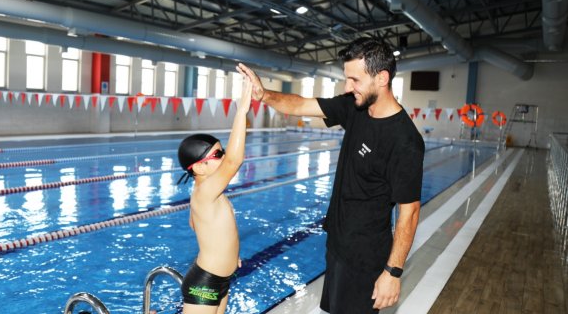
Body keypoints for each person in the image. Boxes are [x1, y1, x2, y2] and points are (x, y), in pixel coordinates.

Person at [237, 37, 424, 313]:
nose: (348, 87)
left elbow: (409, 213)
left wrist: (392, 273)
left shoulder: (404, 140)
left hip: (364, 258)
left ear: (382, 78)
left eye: (355, 80)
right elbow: (301, 105)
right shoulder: (355, 107)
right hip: (337, 244)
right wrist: (264, 95)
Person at [176, 66, 252, 314]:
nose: (224, 156)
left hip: (220, 279)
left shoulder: (205, 193)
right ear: (199, 168)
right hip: (205, 283)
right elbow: (234, 161)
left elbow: (196, 224)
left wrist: (227, 255)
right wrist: (242, 110)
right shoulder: (206, 191)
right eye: (218, 154)